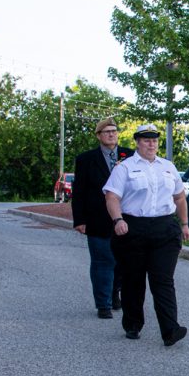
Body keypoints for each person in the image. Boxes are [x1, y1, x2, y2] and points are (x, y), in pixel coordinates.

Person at [103, 124, 189, 346]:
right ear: (137, 142)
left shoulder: (168, 167)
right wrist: (118, 219)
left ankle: (170, 329)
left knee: (163, 280)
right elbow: (112, 197)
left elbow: (179, 198)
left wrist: (185, 224)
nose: (151, 144)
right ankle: (133, 324)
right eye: (146, 140)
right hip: (133, 228)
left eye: (155, 140)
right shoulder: (125, 168)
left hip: (164, 229)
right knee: (134, 280)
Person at [71, 117, 134, 319]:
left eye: (114, 131)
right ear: (99, 135)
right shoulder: (86, 159)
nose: (111, 134)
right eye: (106, 131)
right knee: (102, 261)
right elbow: (79, 191)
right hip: (97, 218)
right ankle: (103, 304)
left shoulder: (130, 156)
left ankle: (116, 293)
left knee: (123, 262)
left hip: (126, 218)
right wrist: (79, 219)